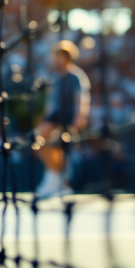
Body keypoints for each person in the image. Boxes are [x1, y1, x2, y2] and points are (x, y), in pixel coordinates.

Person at [34, 40, 90, 199]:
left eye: (57, 56)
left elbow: (81, 98)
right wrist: (44, 118)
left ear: (65, 57)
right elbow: (51, 103)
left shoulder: (76, 76)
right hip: (55, 117)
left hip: (69, 117)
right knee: (38, 140)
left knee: (60, 148)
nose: (55, 59)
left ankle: (61, 182)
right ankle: (54, 177)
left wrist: (81, 117)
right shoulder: (56, 78)